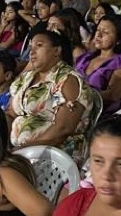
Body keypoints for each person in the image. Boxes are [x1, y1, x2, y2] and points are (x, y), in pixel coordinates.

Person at [6, 28, 93, 162]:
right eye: (31, 47)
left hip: (55, 155)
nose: (32, 52)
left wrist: (23, 151)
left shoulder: (67, 80)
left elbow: (63, 129)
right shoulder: (26, 78)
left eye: (39, 46)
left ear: (56, 51)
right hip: (18, 151)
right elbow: (11, 113)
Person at [75, 15, 121, 117]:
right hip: (75, 108)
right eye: (97, 30)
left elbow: (113, 95)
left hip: (100, 116)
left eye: (105, 32)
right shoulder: (86, 58)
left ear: (119, 39)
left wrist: (78, 97)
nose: (98, 35)